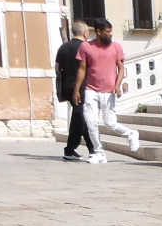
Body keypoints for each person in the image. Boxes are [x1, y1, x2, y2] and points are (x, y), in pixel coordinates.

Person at [73, 18, 138, 164]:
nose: (110, 34)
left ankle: (131, 133)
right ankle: (98, 152)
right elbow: (82, 69)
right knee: (90, 122)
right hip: (90, 90)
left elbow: (121, 68)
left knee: (110, 123)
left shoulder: (116, 47)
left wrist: (117, 85)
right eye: (107, 32)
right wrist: (77, 90)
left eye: (110, 31)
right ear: (98, 32)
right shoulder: (85, 47)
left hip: (108, 91)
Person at [54, 19, 89, 160]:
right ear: (85, 33)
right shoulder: (86, 47)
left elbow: (57, 69)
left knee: (79, 116)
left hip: (67, 87)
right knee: (80, 116)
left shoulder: (62, 48)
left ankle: (78, 149)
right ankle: (72, 149)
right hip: (81, 87)